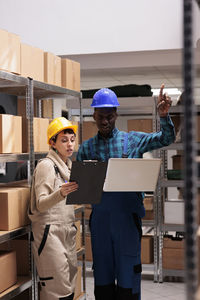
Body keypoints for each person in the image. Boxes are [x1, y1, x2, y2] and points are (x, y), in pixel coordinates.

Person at [77, 84, 175, 300]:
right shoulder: (86, 149)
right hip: (101, 222)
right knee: (102, 272)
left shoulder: (133, 140)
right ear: (93, 115)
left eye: (109, 117)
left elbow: (165, 139)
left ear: (116, 115)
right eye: (100, 116)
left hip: (127, 221)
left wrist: (164, 117)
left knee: (128, 273)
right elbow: (80, 189)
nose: (105, 121)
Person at [29, 117, 79, 300]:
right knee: (57, 291)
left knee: (69, 287)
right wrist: (61, 193)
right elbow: (41, 204)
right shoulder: (46, 166)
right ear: (52, 143)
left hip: (67, 231)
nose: (69, 145)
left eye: (72, 140)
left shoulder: (68, 166)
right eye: (64, 140)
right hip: (50, 234)